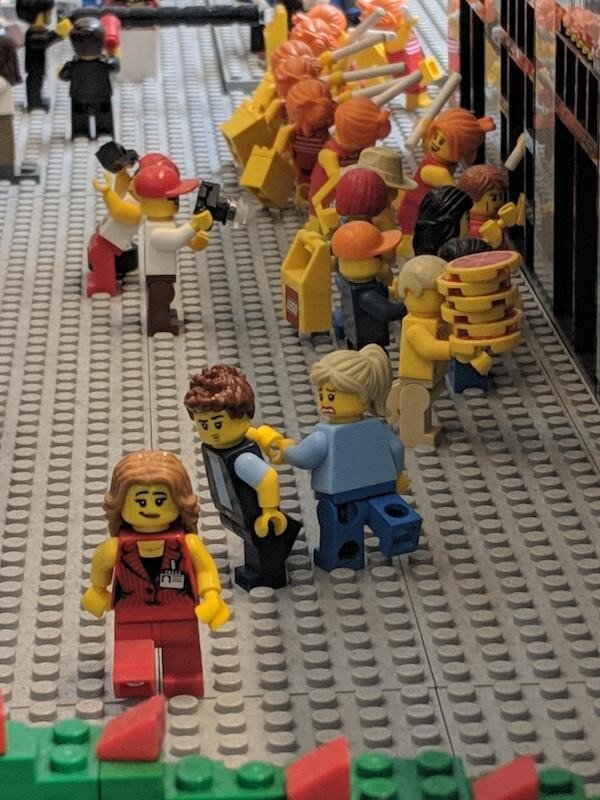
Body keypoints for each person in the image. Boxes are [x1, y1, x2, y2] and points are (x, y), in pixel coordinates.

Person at [81, 450, 230, 698]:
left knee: (183, 665)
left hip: (180, 614)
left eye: (160, 500)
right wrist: (97, 589)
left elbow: (205, 569)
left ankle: (183, 682)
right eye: (140, 502)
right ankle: (136, 683)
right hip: (132, 616)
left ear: (179, 501)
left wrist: (212, 593)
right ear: (120, 504)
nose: (150, 508)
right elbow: (101, 566)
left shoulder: (189, 544)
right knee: (132, 666)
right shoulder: (115, 548)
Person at [264, 346, 421, 571]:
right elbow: (396, 448)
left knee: (339, 533)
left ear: (362, 396)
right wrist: (397, 475)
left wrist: (286, 451)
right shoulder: (377, 428)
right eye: (321, 395)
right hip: (381, 491)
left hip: (340, 502)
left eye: (331, 396)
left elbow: (305, 458)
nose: (325, 402)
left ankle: (344, 559)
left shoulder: (324, 437)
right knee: (391, 520)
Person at [183, 365, 301, 590]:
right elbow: (253, 432)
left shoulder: (242, 459)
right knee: (254, 542)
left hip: (257, 515)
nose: (212, 431)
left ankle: (268, 577)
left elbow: (268, 478)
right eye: (203, 424)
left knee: (265, 546)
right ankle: (261, 566)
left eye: (218, 423)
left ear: (244, 415)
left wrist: (270, 511)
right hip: (236, 510)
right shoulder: (218, 448)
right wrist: (266, 437)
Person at [395, 108, 495, 252]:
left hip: (424, 212)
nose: (435, 143)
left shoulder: (439, 160)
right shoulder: (436, 172)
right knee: (412, 247)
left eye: (441, 141)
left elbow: (426, 146)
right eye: (435, 136)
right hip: (415, 214)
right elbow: (457, 198)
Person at [59, 17, 119, 139]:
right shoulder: (105, 63)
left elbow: (63, 76)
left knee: (79, 114)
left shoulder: (72, 65)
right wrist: (113, 55)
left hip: (78, 95)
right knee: (104, 114)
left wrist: (60, 71)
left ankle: (80, 132)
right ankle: (104, 131)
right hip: (102, 95)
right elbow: (116, 67)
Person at [16, 0, 71, 111]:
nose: (50, 17)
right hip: (34, 67)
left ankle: (36, 102)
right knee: (35, 84)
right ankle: (34, 104)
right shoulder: (34, 34)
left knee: (37, 83)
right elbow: (45, 41)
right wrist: (58, 33)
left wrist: (60, 35)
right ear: (40, 16)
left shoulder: (36, 31)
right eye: (48, 13)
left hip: (36, 66)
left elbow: (46, 39)